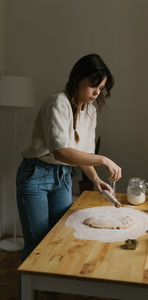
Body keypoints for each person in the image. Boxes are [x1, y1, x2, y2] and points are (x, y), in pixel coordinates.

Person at [16, 53, 122, 262]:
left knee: (60, 239)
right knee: (37, 244)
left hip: (62, 176)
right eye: (93, 85)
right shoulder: (58, 103)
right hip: (35, 175)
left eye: (101, 88)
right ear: (77, 78)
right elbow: (60, 151)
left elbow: (83, 155)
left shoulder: (90, 111)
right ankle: (30, 292)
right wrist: (103, 160)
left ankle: (51, 292)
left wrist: (95, 179)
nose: (96, 93)